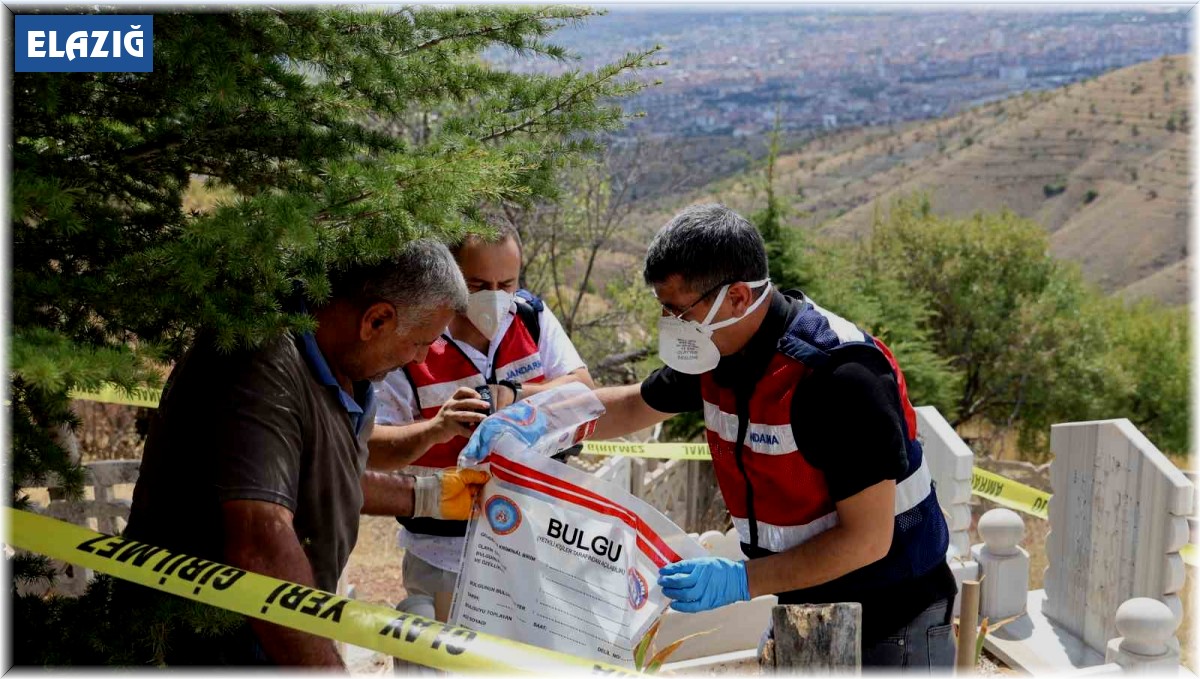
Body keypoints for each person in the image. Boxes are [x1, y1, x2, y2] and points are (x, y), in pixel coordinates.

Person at [470, 204, 957, 670]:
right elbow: (636, 404)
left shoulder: (839, 377)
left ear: (738, 297)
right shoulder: (717, 350)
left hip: (893, 617)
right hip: (803, 601)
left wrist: (741, 581)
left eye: (679, 312)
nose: (671, 326)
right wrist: (534, 415)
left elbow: (866, 540)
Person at [124, 239, 489, 668]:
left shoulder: (347, 363)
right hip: (215, 643)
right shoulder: (261, 362)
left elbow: (328, 467)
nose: (420, 357)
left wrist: (427, 496)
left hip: (274, 626)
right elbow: (261, 542)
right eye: (419, 342)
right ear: (376, 320)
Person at [370, 224, 593, 625]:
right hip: (443, 552)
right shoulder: (415, 338)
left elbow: (582, 391)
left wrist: (514, 395)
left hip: (531, 540)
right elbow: (371, 446)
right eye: (477, 285)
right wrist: (436, 429)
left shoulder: (531, 318)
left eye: (506, 284)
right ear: (452, 277)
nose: (495, 296)